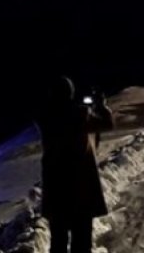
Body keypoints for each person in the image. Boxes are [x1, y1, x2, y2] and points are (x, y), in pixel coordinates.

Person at [35, 76, 114, 253]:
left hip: (56, 187)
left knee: (58, 241)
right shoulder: (80, 115)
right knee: (82, 241)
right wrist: (100, 105)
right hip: (81, 188)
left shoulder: (45, 118)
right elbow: (107, 124)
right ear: (70, 93)